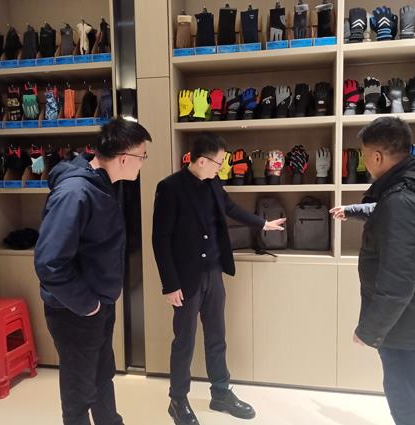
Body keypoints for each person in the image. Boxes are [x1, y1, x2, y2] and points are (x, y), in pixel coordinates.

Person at [152, 132, 286, 425]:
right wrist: (170, 284)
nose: (222, 167)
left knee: (216, 337)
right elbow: (160, 240)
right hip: (185, 280)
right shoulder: (169, 188)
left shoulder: (213, 182)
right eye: (219, 162)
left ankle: (221, 393)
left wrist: (263, 223)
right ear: (201, 161)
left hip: (213, 272)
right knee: (184, 341)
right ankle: (178, 400)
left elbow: (230, 208)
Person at [330, 116, 415, 425]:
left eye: (363, 155)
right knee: (407, 387)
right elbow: (393, 210)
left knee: (403, 397)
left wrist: (369, 330)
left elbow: (398, 282)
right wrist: (354, 210)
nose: (364, 162)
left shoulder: (400, 198)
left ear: (377, 156)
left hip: (406, 319)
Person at [34, 118, 152, 425]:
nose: (143, 163)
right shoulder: (75, 193)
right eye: (142, 156)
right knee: (79, 394)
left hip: (97, 304)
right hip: (75, 310)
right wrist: (88, 304)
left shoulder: (102, 184)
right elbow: (50, 263)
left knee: (101, 376)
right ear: (123, 158)